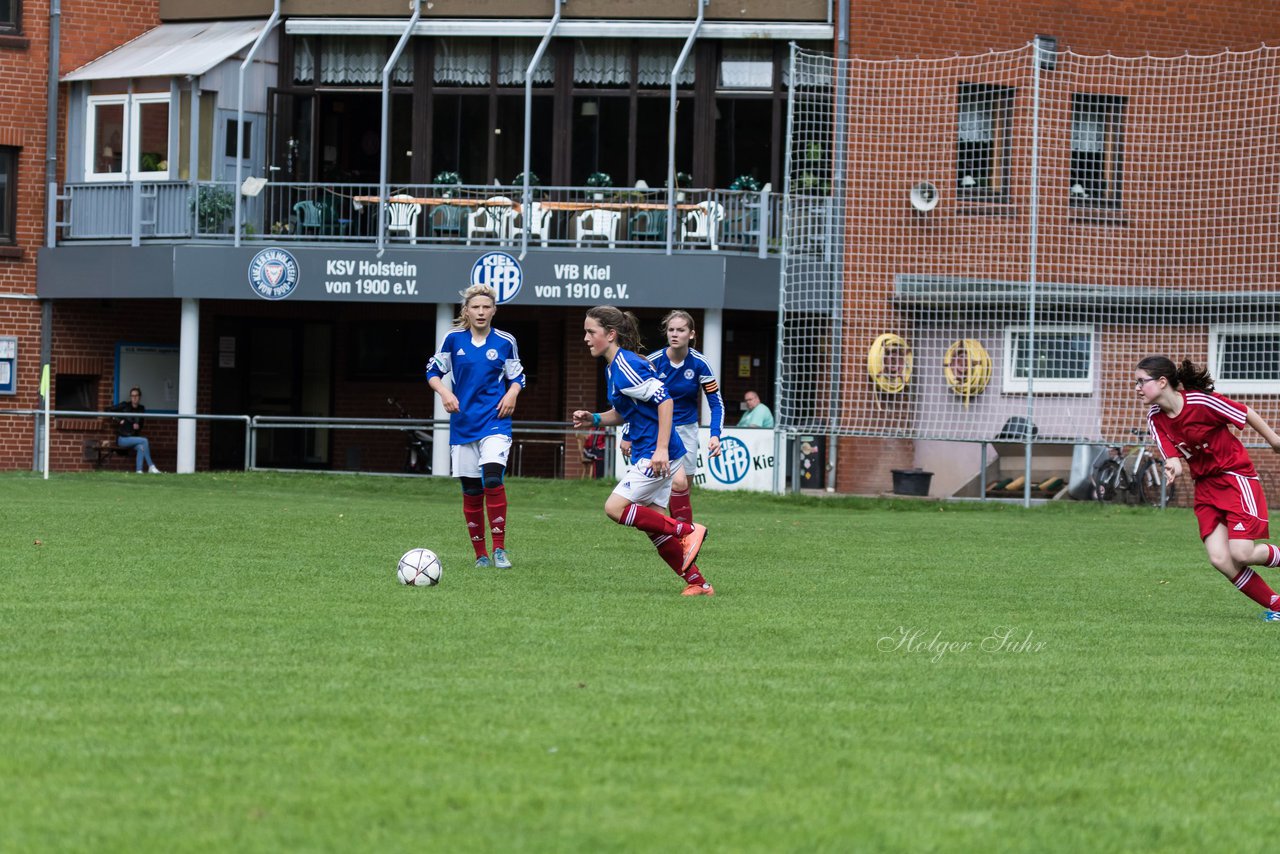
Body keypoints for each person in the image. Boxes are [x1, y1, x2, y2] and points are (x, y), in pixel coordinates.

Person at [572, 306, 714, 596]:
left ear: (610, 334)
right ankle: (699, 584)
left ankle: (687, 530)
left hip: (655, 452)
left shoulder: (625, 367)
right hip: (652, 450)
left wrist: (661, 449)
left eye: (591, 332)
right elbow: (625, 412)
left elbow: (665, 401)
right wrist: (595, 418)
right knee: (654, 527)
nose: (586, 338)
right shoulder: (616, 367)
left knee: (614, 508)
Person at [1139, 356, 1280, 614]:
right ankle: (1278, 606)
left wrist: (1274, 440)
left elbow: (1245, 412)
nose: (1137, 388)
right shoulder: (1155, 418)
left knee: (1242, 553)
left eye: (1141, 381)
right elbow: (1172, 456)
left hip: (1235, 477)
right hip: (1204, 488)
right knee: (1220, 559)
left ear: (1161, 382)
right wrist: (1174, 467)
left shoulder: (1200, 402)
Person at [426, 284, 525, 569]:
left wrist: (512, 393)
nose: (481, 312)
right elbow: (432, 372)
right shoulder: (453, 339)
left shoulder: (505, 341)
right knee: (471, 491)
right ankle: (480, 554)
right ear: (466, 311)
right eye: (475, 307)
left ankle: (500, 550)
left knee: (492, 479)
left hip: (495, 422)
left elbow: (518, 376)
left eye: (486, 307)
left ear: (494, 310)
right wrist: (445, 393)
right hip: (463, 425)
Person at [620, 310, 724, 523]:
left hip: (687, 430)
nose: (675, 334)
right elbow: (634, 401)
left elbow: (716, 402)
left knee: (683, 488)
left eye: (681, 330)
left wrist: (715, 435)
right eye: (671, 330)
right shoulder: (653, 361)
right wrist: (628, 432)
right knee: (671, 487)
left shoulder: (700, 364)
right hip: (656, 430)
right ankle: (679, 534)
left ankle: (683, 536)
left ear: (692, 334)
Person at [109, 386, 162, 474]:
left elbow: (141, 425)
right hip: (122, 438)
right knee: (144, 441)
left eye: (136, 395)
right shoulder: (125, 405)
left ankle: (139, 471)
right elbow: (108, 410)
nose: (134, 397)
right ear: (130, 397)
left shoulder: (141, 409)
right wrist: (118, 420)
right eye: (132, 395)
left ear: (139, 397)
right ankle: (151, 466)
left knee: (142, 447)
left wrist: (138, 426)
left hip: (133, 438)